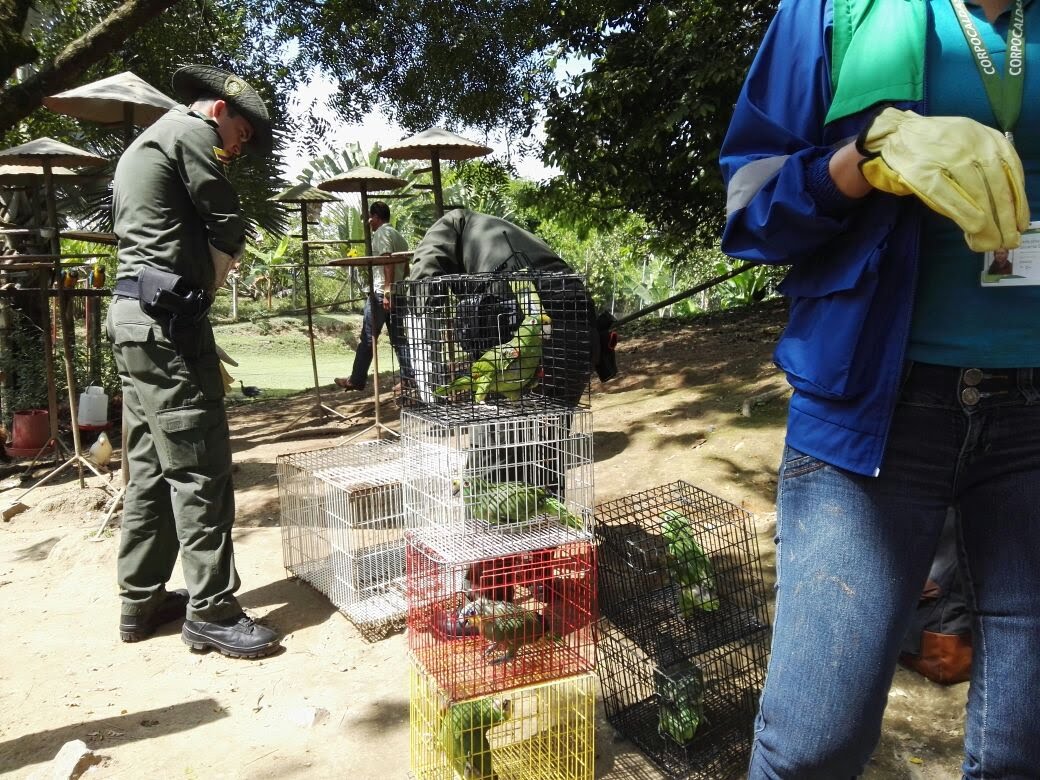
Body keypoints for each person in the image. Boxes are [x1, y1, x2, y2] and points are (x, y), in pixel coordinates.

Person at [721, 1, 1040, 776]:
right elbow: (749, 207)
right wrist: (861, 159)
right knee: (811, 749)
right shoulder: (831, 10)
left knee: (1022, 750)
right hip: (872, 412)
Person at [106, 64, 280, 659]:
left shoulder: (145, 142)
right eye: (242, 133)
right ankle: (212, 610)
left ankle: (141, 600)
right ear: (219, 110)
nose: (238, 146)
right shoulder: (189, 134)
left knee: (151, 465)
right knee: (200, 462)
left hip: (133, 320)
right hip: (169, 327)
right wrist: (222, 261)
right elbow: (226, 217)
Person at [334, 201, 413, 391]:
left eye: (370, 217)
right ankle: (408, 377)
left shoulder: (382, 234)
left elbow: (388, 262)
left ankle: (357, 379)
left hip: (381, 294)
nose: (369, 222)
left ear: (376, 217)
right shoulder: (398, 236)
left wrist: (387, 293)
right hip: (399, 294)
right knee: (399, 338)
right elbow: (406, 267)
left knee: (368, 338)